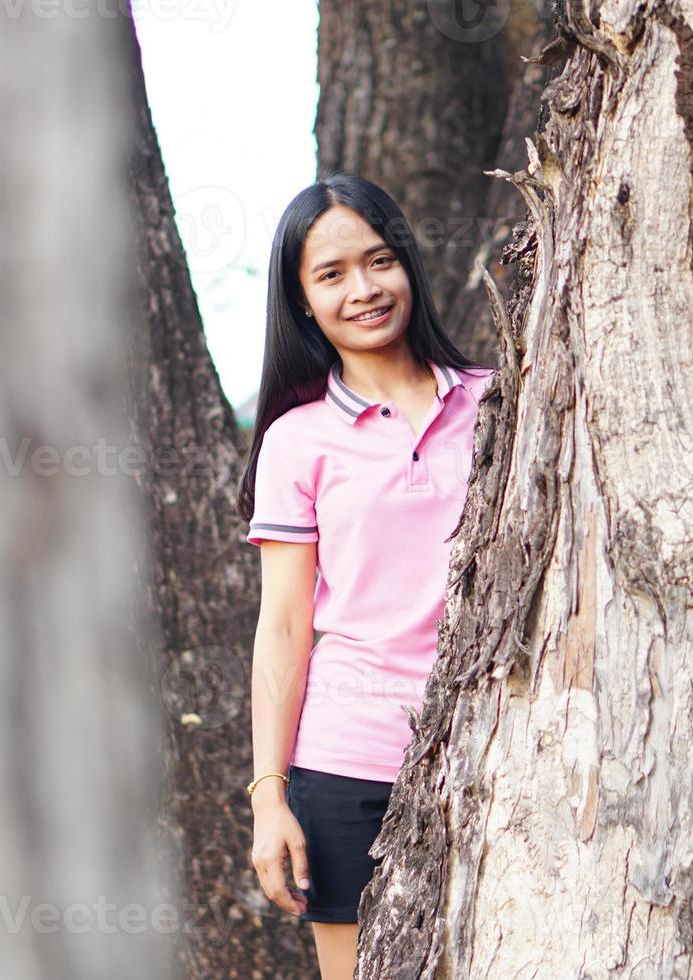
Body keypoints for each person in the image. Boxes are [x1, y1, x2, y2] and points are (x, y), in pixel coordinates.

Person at [236, 173, 494, 980]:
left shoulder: (502, 400)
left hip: (505, 744)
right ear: (303, 302)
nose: (363, 288)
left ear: (408, 267)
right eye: (332, 274)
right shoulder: (297, 440)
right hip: (350, 762)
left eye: (378, 261)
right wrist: (268, 796)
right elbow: (282, 626)